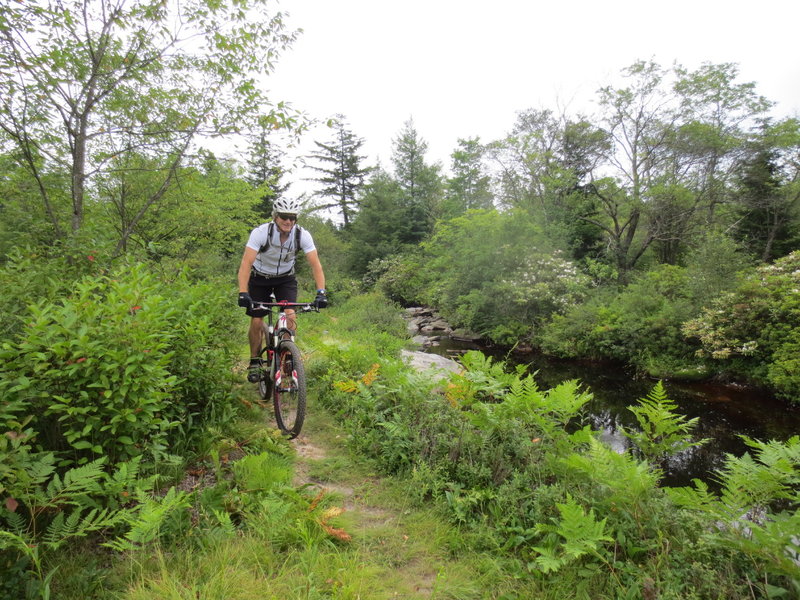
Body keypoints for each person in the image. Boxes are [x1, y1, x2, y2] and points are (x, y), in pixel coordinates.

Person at [237, 198, 327, 382]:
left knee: (290, 314)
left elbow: (316, 265)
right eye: (284, 217)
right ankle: (254, 361)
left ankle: (287, 353)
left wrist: (321, 293)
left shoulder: (302, 235)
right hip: (260, 278)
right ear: (275, 217)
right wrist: (243, 292)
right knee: (256, 319)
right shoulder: (261, 233)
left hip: (285, 279)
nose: (288, 221)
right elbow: (246, 263)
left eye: (292, 218)